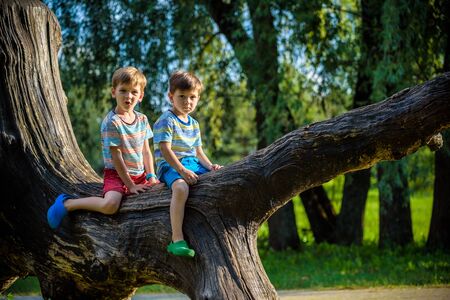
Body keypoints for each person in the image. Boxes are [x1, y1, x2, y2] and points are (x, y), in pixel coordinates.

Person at [47, 66, 159, 229]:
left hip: (140, 174)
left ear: (140, 96)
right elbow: (117, 157)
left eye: (134, 92)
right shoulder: (112, 122)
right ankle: (68, 204)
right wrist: (130, 185)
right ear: (114, 92)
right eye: (123, 91)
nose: (128, 96)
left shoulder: (142, 119)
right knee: (110, 205)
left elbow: (146, 151)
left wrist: (151, 176)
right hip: (117, 175)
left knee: (162, 189)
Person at [153, 70, 222, 258]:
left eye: (192, 97)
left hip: (192, 163)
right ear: (170, 97)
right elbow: (165, 150)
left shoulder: (194, 123)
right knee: (181, 188)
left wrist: (210, 167)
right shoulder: (166, 120)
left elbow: (198, 152)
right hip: (170, 165)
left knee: (218, 180)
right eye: (182, 96)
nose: (187, 102)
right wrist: (181, 170)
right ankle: (177, 239)